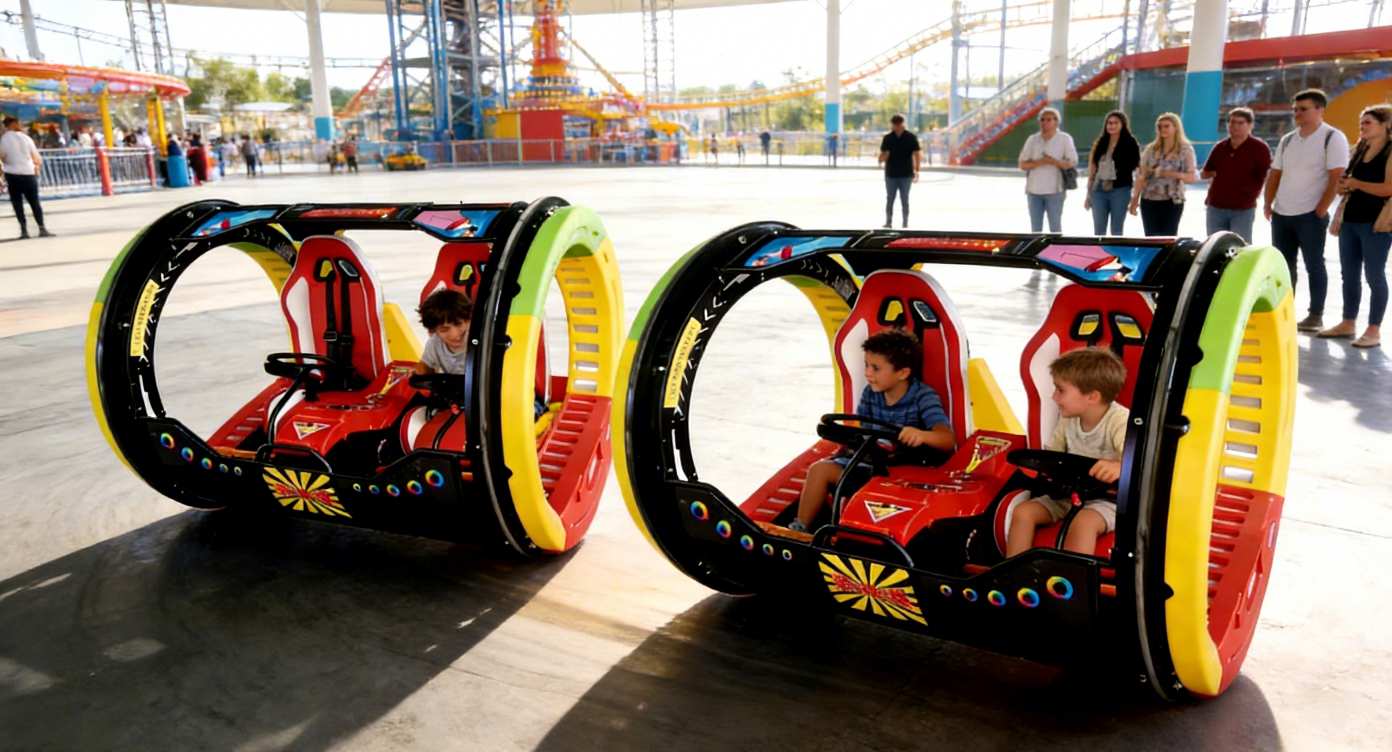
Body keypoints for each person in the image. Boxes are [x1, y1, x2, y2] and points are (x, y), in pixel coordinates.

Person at [788, 329, 954, 533]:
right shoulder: (870, 394)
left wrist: (921, 435)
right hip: (872, 466)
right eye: (867, 365)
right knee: (819, 469)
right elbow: (864, 434)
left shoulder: (923, 397)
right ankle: (800, 529)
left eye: (875, 368)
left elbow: (947, 439)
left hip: (906, 476)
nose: (867, 373)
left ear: (903, 373)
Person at [1005, 348, 1128, 558]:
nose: (1054, 397)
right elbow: (1053, 455)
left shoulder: (1119, 421)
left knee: (1085, 523)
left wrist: (1119, 466)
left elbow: (1141, 464)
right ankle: (1013, 575)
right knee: (1023, 512)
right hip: (1068, 495)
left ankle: (1072, 583)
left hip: (1108, 499)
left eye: (1060, 390)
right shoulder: (1068, 419)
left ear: (1092, 396)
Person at [1264, 88, 1351, 333]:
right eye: (1295, 109)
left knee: (1314, 264)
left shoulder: (1332, 137)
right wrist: (1268, 203)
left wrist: (1321, 208)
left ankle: (1315, 315)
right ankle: (1284, 312)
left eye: (1303, 109)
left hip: (1311, 216)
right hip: (1282, 213)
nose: (1297, 114)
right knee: (1283, 265)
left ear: (1320, 110)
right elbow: (1275, 173)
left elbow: (1336, 176)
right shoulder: (1288, 139)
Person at [1320, 104, 1392, 349]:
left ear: (1385, 125)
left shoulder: (1390, 152)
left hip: (1377, 223)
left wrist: (1357, 183)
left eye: (1368, 122)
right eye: (1361, 123)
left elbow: (1388, 188)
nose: (1362, 127)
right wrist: (1344, 185)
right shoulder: (1359, 149)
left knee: (1374, 275)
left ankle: (1374, 329)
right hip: (1350, 220)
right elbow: (1345, 185)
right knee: (1348, 275)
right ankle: (1348, 322)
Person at [1201, 107, 1272, 243]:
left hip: (1243, 208)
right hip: (1216, 206)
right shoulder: (1220, 147)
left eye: (1240, 123)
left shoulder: (1259, 148)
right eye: (1232, 122)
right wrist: (1215, 173)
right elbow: (1205, 172)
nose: (1235, 126)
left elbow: (1267, 175)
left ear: (1250, 125)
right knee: (1214, 247)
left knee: (1240, 248)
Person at [1129, 112, 1199, 236]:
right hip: (1149, 199)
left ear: (1176, 127)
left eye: (1167, 126)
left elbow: (1192, 177)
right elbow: (1141, 175)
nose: (1163, 129)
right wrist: (1134, 200)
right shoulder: (1151, 149)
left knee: (1168, 238)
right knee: (1150, 238)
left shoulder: (1185, 149)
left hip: (1172, 201)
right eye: (1160, 126)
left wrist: (1171, 174)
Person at [1019, 108, 1078, 233]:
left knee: (1055, 228)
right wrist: (1040, 162)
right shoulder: (1032, 139)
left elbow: (1072, 162)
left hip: (1055, 191)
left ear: (1057, 122)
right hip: (1033, 191)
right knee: (1035, 230)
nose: (1045, 122)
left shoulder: (1064, 139)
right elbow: (1022, 164)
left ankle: (1055, 251)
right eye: (1042, 120)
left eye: (1049, 119)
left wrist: (1053, 162)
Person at [1083, 110, 1140, 235]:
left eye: (1115, 123)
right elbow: (1092, 169)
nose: (1112, 126)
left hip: (1120, 190)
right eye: (1109, 123)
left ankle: (1116, 254)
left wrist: (1136, 197)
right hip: (1098, 190)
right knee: (1098, 231)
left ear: (1123, 125)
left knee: (1117, 230)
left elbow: (1137, 167)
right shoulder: (1100, 142)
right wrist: (1088, 194)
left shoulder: (1130, 142)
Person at [0, 116, 52, 239]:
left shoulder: (3, 140)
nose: (20, 125)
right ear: (13, 124)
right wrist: (36, 167)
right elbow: (37, 158)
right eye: (18, 123)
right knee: (35, 202)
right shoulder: (26, 138)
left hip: (12, 174)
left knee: (17, 204)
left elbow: (2, 156)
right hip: (29, 173)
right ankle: (42, 228)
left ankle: (24, 231)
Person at [415, 288, 473, 376]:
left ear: (469, 320)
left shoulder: (480, 339)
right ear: (433, 331)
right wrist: (420, 371)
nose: (455, 334)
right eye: (444, 330)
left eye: (458, 324)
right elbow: (425, 366)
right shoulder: (435, 343)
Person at [879, 113, 921, 228]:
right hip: (891, 173)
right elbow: (882, 155)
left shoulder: (911, 137)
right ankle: (888, 222)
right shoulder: (888, 138)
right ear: (892, 125)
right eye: (895, 125)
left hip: (906, 173)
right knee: (890, 198)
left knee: (905, 198)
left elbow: (917, 154)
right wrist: (882, 157)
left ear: (903, 124)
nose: (897, 127)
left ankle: (905, 223)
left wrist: (917, 170)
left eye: (899, 124)